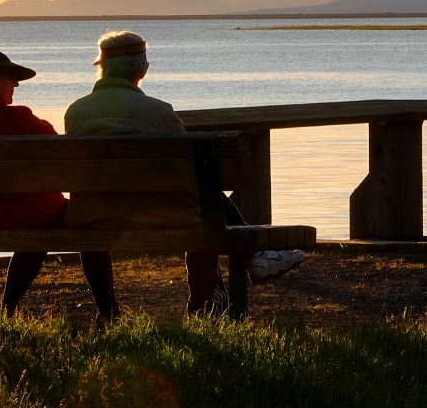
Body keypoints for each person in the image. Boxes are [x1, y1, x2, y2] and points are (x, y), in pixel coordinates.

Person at [64, 31, 304, 315]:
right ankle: (206, 302)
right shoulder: (158, 112)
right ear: (143, 68)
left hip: (93, 214)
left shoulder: (75, 112)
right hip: (154, 214)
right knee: (205, 197)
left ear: (102, 67)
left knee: (203, 195)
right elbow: (190, 172)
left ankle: (108, 311)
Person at [0, 49, 119, 322]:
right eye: (11, 77)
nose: (16, 83)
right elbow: (55, 145)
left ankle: (9, 309)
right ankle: (109, 312)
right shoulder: (18, 118)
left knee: (35, 232)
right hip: (28, 214)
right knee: (89, 222)